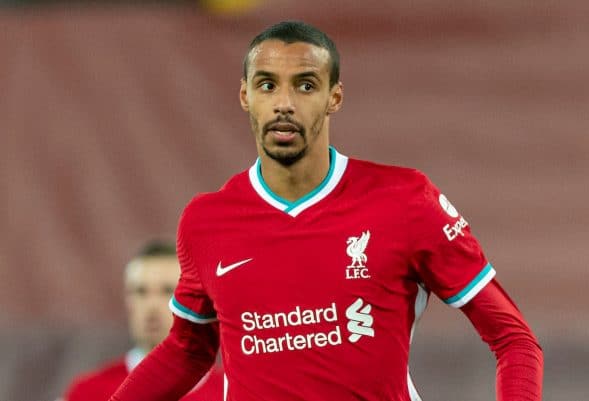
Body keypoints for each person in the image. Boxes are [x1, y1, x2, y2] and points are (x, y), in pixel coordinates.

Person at [110, 21, 543, 401]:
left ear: (334, 97)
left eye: (305, 85)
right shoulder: (206, 221)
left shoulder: (405, 199)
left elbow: (514, 340)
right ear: (245, 95)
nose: (284, 102)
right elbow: (188, 350)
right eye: (267, 84)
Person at [62, 240, 223, 401]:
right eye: (141, 292)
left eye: (167, 290)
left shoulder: (230, 394)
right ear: (127, 300)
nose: (151, 306)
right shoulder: (88, 393)